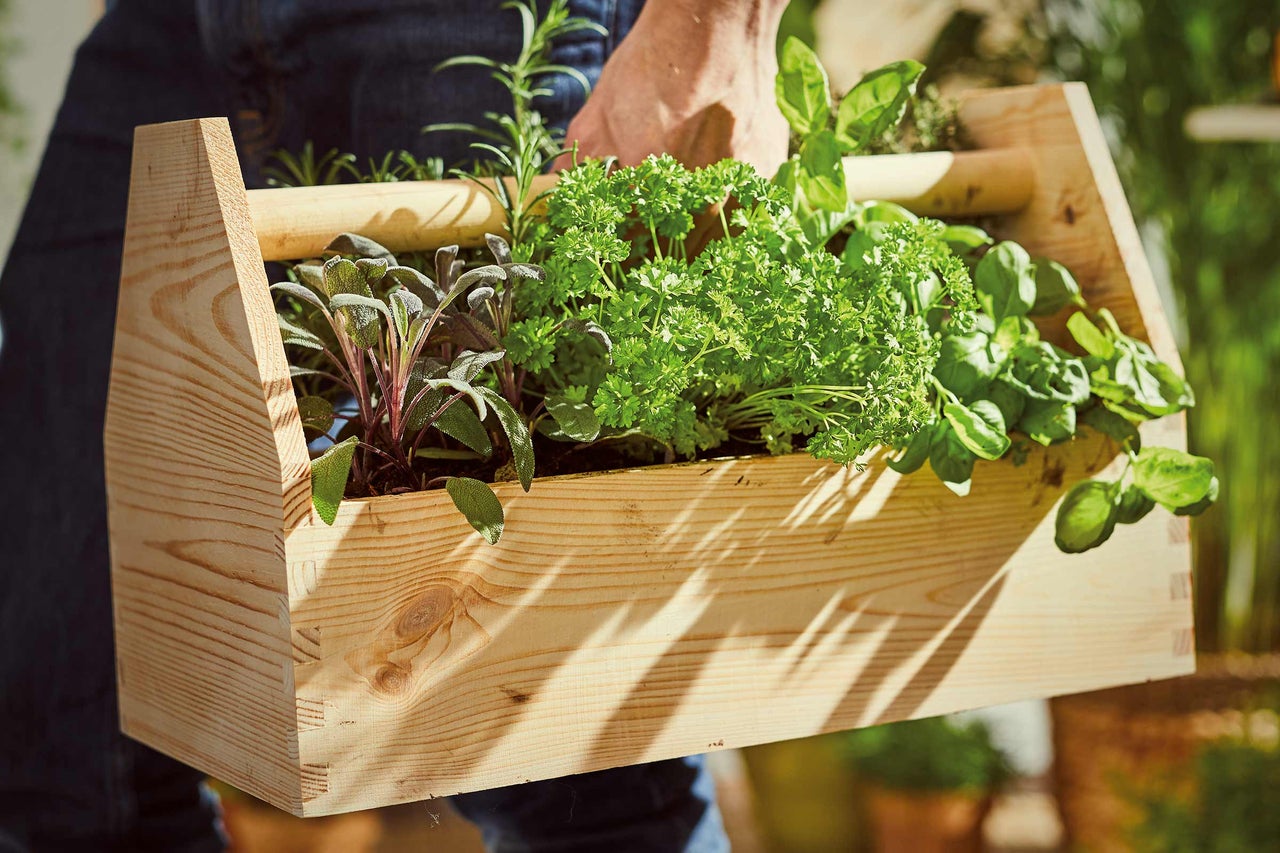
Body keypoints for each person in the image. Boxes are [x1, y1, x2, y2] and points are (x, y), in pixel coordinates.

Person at [0, 0, 789, 850]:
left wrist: (719, 26)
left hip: (475, 25)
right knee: (68, 753)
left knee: (561, 759)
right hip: (178, 28)